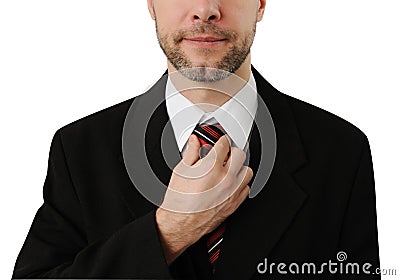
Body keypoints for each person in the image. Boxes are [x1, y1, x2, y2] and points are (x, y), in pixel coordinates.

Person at [12, 0, 380, 279]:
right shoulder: (79, 149)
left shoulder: (341, 150)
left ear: (262, 4)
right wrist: (168, 231)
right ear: (151, 4)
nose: (205, 10)